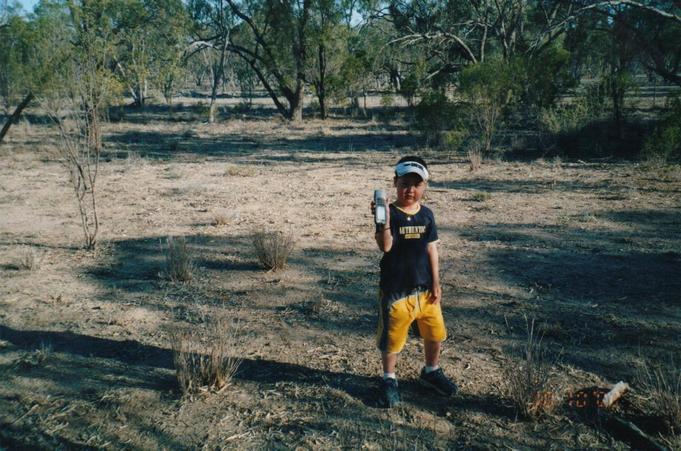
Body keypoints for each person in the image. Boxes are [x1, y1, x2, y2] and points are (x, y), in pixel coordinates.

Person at [371, 156, 458, 408]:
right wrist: (383, 221)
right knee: (393, 338)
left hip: (425, 290)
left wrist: (436, 282)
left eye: (416, 185)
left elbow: (432, 250)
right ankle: (389, 379)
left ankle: (431, 371)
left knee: (435, 333)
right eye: (405, 183)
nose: (410, 189)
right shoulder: (391, 214)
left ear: (425, 187)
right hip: (396, 290)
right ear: (395, 183)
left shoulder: (427, 215)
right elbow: (386, 246)